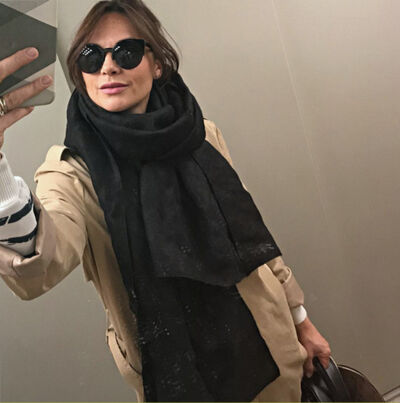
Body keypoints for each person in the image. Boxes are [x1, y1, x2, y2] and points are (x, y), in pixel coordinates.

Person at [0, 0, 331, 401]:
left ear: (156, 63)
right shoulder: (72, 173)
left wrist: (300, 318)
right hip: (180, 377)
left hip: (271, 344)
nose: (108, 67)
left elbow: (252, 238)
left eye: (126, 52)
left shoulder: (200, 134)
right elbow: (40, 260)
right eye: (91, 56)